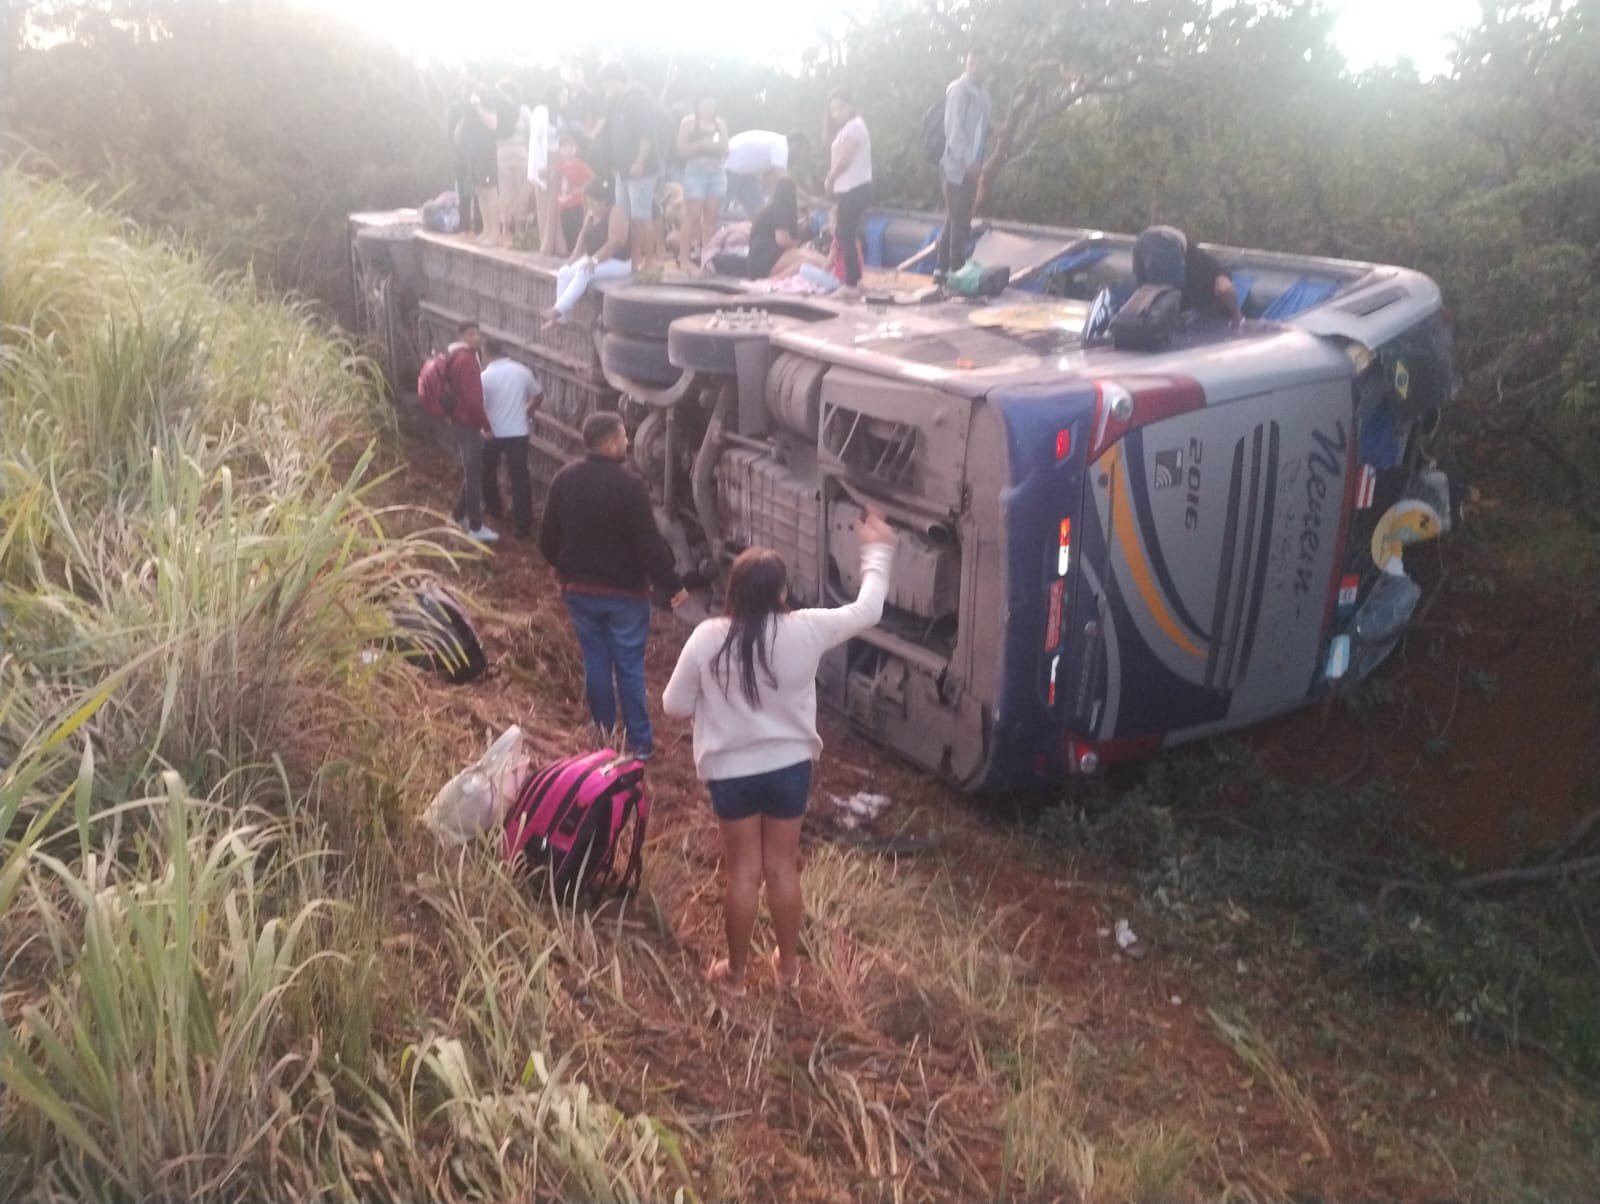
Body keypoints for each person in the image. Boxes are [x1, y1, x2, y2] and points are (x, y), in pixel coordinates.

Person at [662, 512, 898, 994]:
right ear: (782, 593)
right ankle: (788, 970)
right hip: (789, 769)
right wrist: (878, 550)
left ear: (732, 590)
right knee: (782, 868)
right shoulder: (807, 629)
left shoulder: (708, 637)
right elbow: (869, 609)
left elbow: (673, 706)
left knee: (743, 872)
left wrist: (715, 698)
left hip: (731, 774)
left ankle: (736, 975)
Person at [540, 412, 689, 758]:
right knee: (629, 668)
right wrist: (673, 584)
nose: (627, 441)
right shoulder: (630, 485)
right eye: (623, 436)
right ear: (609, 442)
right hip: (625, 596)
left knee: (595, 660)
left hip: (579, 592)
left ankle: (604, 733)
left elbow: (547, 537)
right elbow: (648, 543)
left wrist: (563, 568)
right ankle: (639, 745)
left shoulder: (565, 478)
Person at [597, 61, 665, 265]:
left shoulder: (635, 101)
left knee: (642, 217)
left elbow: (647, 134)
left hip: (640, 171)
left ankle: (650, 262)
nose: (605, 88)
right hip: (622, 172)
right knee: (629, 217)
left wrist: (639, 161)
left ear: (619, 81)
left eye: (607, 83)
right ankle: (635, 260)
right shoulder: (615, 105)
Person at [935, 47, 993, 283]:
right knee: (960, 223)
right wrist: (968, 161)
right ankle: (956, 274)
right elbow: (954, 131)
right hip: (955, 167)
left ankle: (940, 271)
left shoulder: (985, 97)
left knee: (955, 218)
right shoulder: (958, 92)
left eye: (980, 64)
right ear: (966, 64)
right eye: (972, 64)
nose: (976, 69)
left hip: (973, 165)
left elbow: (981, 129)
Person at [542, 178, 633, 322]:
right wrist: (573, 259)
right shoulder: (591, 214)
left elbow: (616, 242)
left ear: (605, 202)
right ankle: (561, 319)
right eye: (589, 203)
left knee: (583, 272)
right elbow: (583, 237)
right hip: (595, 258)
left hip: (618, 262)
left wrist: (595, 260)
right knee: (564, 272)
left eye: (595, 204)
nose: (592, 207)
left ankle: (558, 310)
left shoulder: (617, 212)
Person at [441, 320, 498, 543]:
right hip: (468, 423)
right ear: (462, 336)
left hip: (460, 420)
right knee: (474, 474)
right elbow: (474, 401)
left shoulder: (455, 356)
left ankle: (458, 516)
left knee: (473, 470)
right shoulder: (467, 361)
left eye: (478, 334)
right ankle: (475, 526)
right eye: (472, 334)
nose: (477, 338)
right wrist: (486, 425)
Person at [479, 340, 542, 538]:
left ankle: (494, 509)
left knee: (487, 472)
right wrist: (528, 409)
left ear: (486, 353)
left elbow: (478, 405)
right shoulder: (521, 371)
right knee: (520, 478)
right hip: (518, 432)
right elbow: (538, 395)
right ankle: (523, 525)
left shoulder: (484, 377)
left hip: (493, 433)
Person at [1132, 225, 1243, 324]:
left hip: (1143, 240)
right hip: (1167, 240)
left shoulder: (1195, 291)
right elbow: (1225, 289)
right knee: (1162, 302)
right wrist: (1236, 316)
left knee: (1146, 304)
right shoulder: (1217, 270)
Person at [823, 90, 872, 290]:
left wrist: (829, 178)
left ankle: (851, 283)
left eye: (840, 107)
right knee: (846, 233)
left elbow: (845, 160)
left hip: (855, 187)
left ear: (851, 106)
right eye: (833, 109)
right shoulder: (849, 128)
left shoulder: (854, 127)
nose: (836, 113)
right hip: (850, 188)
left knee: (845, 234)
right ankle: (855, 279)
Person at [677, 94, 729, 273]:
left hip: (716, 171)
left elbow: (725, 148)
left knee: (711, 216)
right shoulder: (688, 122)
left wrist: (713, 145)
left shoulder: (720, 123)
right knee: (692, 215)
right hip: (695, 170)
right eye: (705, 105)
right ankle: (684, 258)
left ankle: (706, 257)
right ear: (698, 106)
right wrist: (701, 145)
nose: (709, 109)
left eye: (712, 106)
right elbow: (681, 150)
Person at [453, 84, 503, 246]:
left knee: (490, 189)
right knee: (480, 190)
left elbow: (493, 123)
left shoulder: (484, 95)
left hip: (485, 150)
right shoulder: (466, 98)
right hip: (472, 151)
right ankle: (487, 229)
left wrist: (478, 105)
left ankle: (495, 232)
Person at [746, 178, 824, 280]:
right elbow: (782, 240)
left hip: (758, 261)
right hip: (766, 259)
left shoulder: (770, 208)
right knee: (814, 261)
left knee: (811, 257)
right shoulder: (782, 208)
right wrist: (797, 244)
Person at [724, 129, 811, 220]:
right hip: (730, 166)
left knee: (758, 212)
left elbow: (768, 178)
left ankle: (756, 232)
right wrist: (809, 199)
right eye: (801, 151)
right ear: (796, 144)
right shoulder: (781, 146)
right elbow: (785, 181)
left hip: (746, 173)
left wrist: (776, 202)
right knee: (719, 209)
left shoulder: (777, 147)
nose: (799, 157)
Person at [495, 79, 532, 244]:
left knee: (520, 193)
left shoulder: (522, 111)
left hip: (517, 153)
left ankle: (516, 228)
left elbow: (530, 133)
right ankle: (508, 228)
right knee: (508, 193)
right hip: (508, 153)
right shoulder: (501, 111)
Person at [553, 129, 596, 254]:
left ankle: (580, 253)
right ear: (560, 151)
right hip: (563, 204)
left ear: (575, 148)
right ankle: (571, 252)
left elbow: (593, 178)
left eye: (570, 147)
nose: (567, 150)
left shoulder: (580, 164)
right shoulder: (560, 165)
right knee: (567, 230)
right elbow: (553, 175)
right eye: (564, 148)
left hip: (576, 204)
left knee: (577, 229)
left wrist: (583, 189)